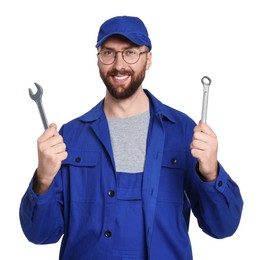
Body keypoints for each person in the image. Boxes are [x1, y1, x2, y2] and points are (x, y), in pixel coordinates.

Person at [19, 15, 243, 260]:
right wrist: (43, 179)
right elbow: (40, 234)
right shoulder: (70, 136)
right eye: (108, 53)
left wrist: (211, 172)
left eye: (131, 53)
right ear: (98, 60)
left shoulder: (182, 131)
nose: (119, 64)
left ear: (148, 59)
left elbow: (223, 227)